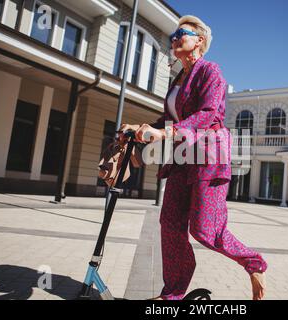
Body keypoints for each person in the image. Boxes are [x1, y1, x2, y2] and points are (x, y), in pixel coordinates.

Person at [119, 15, 267, 300]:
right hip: (181, 159)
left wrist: (166, 132)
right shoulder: (178, 79)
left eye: (181, 34)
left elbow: (209, 112)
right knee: (170, 224)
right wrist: (140, 127)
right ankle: (172, 293)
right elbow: (169, 117)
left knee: (205, 230)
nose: (174, 38)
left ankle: (254, 262)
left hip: (208, 158)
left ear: (199, 41)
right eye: (172, 36)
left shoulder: (210, 70)